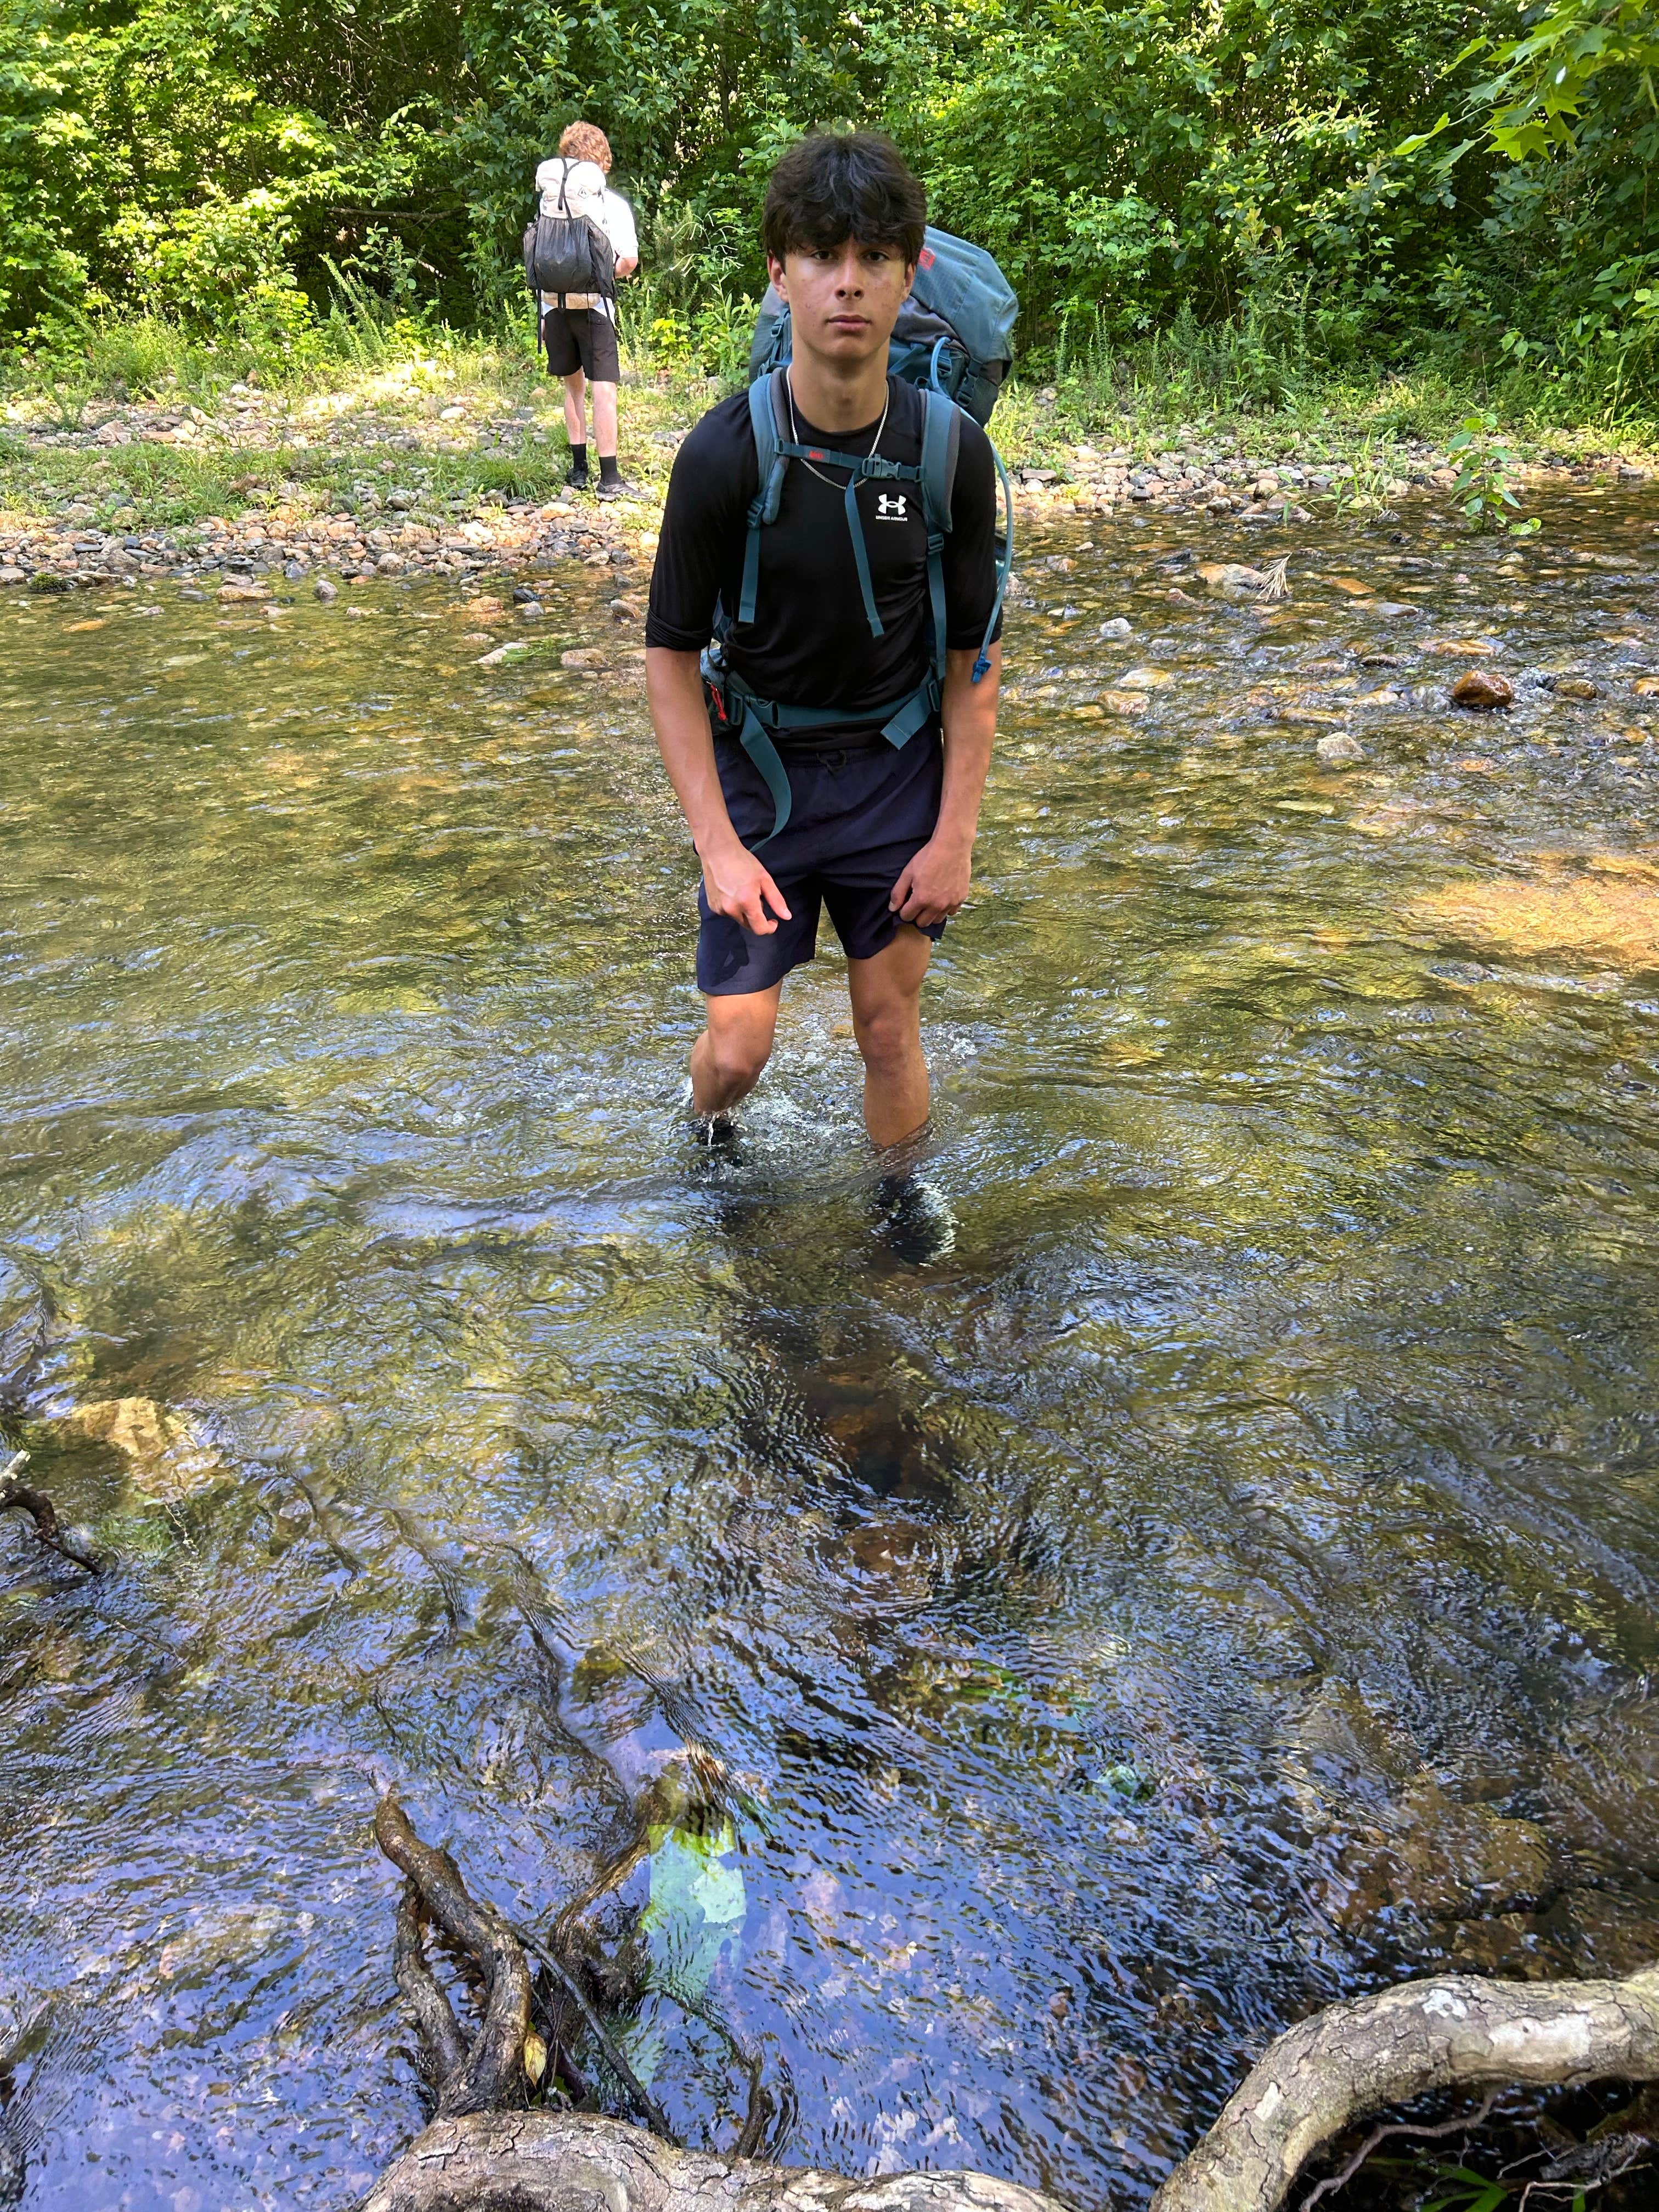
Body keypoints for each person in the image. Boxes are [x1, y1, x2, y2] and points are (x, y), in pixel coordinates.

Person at [645, 132, 1002, 1258]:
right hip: (760, 776)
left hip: (895, 770)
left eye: (873, 256)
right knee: (740, 1050)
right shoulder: (722, 459)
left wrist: (955, 838)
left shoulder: (950, 456)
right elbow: (667, 657)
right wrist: (716, 848)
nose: (847, 279)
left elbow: (972, 666)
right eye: (820, 254)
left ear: (910, 274)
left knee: (886, 1027)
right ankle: (706, 1130)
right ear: (779, 272)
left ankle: (901, 1202)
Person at [534, 122, 639, 498]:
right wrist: (603, 276)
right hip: (596, 307)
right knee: (604, 389)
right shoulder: (612, 205)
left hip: (555, 306)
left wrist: (545, 312)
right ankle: (609, 478)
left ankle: (578, 471)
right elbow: (628, 260)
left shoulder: (549, 204)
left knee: (572, 387)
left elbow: (540, 259)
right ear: (602, 160)